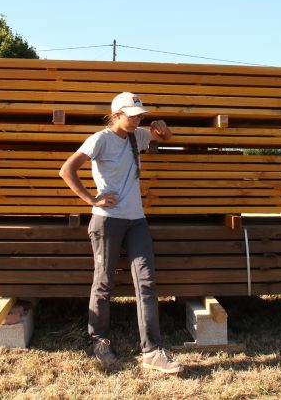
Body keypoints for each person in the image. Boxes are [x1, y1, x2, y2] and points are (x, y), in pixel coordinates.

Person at [59, 91, 183, 374]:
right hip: (108, 220)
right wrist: (92, 200)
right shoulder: (100, 139)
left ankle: (152, 351)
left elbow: (165, 138)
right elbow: (67, 170)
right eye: (132, 115)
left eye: (139, 114)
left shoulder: (136, 136)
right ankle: (99, 340)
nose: (137, 119)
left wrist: (163, 126)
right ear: (116, 115)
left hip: (136, 220)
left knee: (147, 283)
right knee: (103, 282)